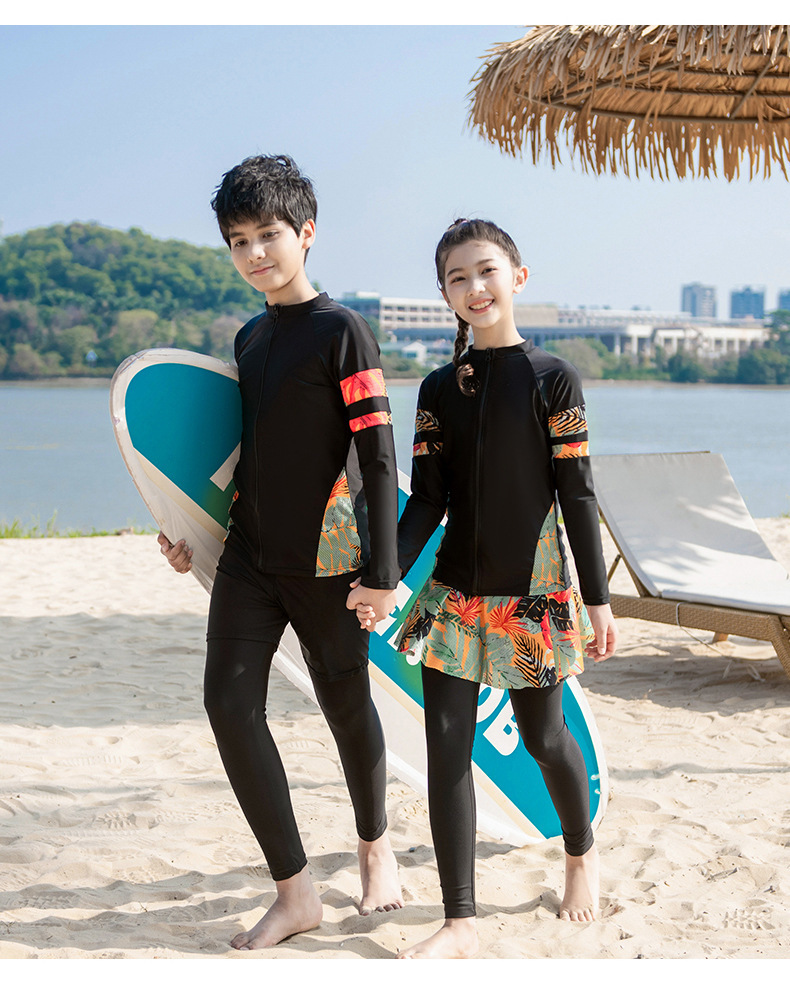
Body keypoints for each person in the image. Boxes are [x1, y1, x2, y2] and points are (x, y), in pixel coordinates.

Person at [355, 218, 617, 959]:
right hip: (454, 597)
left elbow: (577, 494)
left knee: (543, 738)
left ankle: (580, 854)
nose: (474, 287)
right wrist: (383, 579)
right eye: (457, 278)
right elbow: (426, 500)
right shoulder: (440, 389)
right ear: (444, 294)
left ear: (517, 277)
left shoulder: (553, 378)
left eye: (486, 270)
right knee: (446, 750)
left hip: (532, 598)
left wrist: (596, 600)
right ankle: (460, 921)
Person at [159, 154, 403, 950]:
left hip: (328, 562)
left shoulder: (343, 331)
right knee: (229, 707)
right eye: (238, 240)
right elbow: (236, 456)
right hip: (250, 558)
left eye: (268, 234)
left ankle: (374, 846)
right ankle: (295, 892)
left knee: (345, 706)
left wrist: (383, 575)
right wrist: (189, 533)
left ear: (306, 233)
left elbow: (377, 458)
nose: (255, 253)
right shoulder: (250, 337)